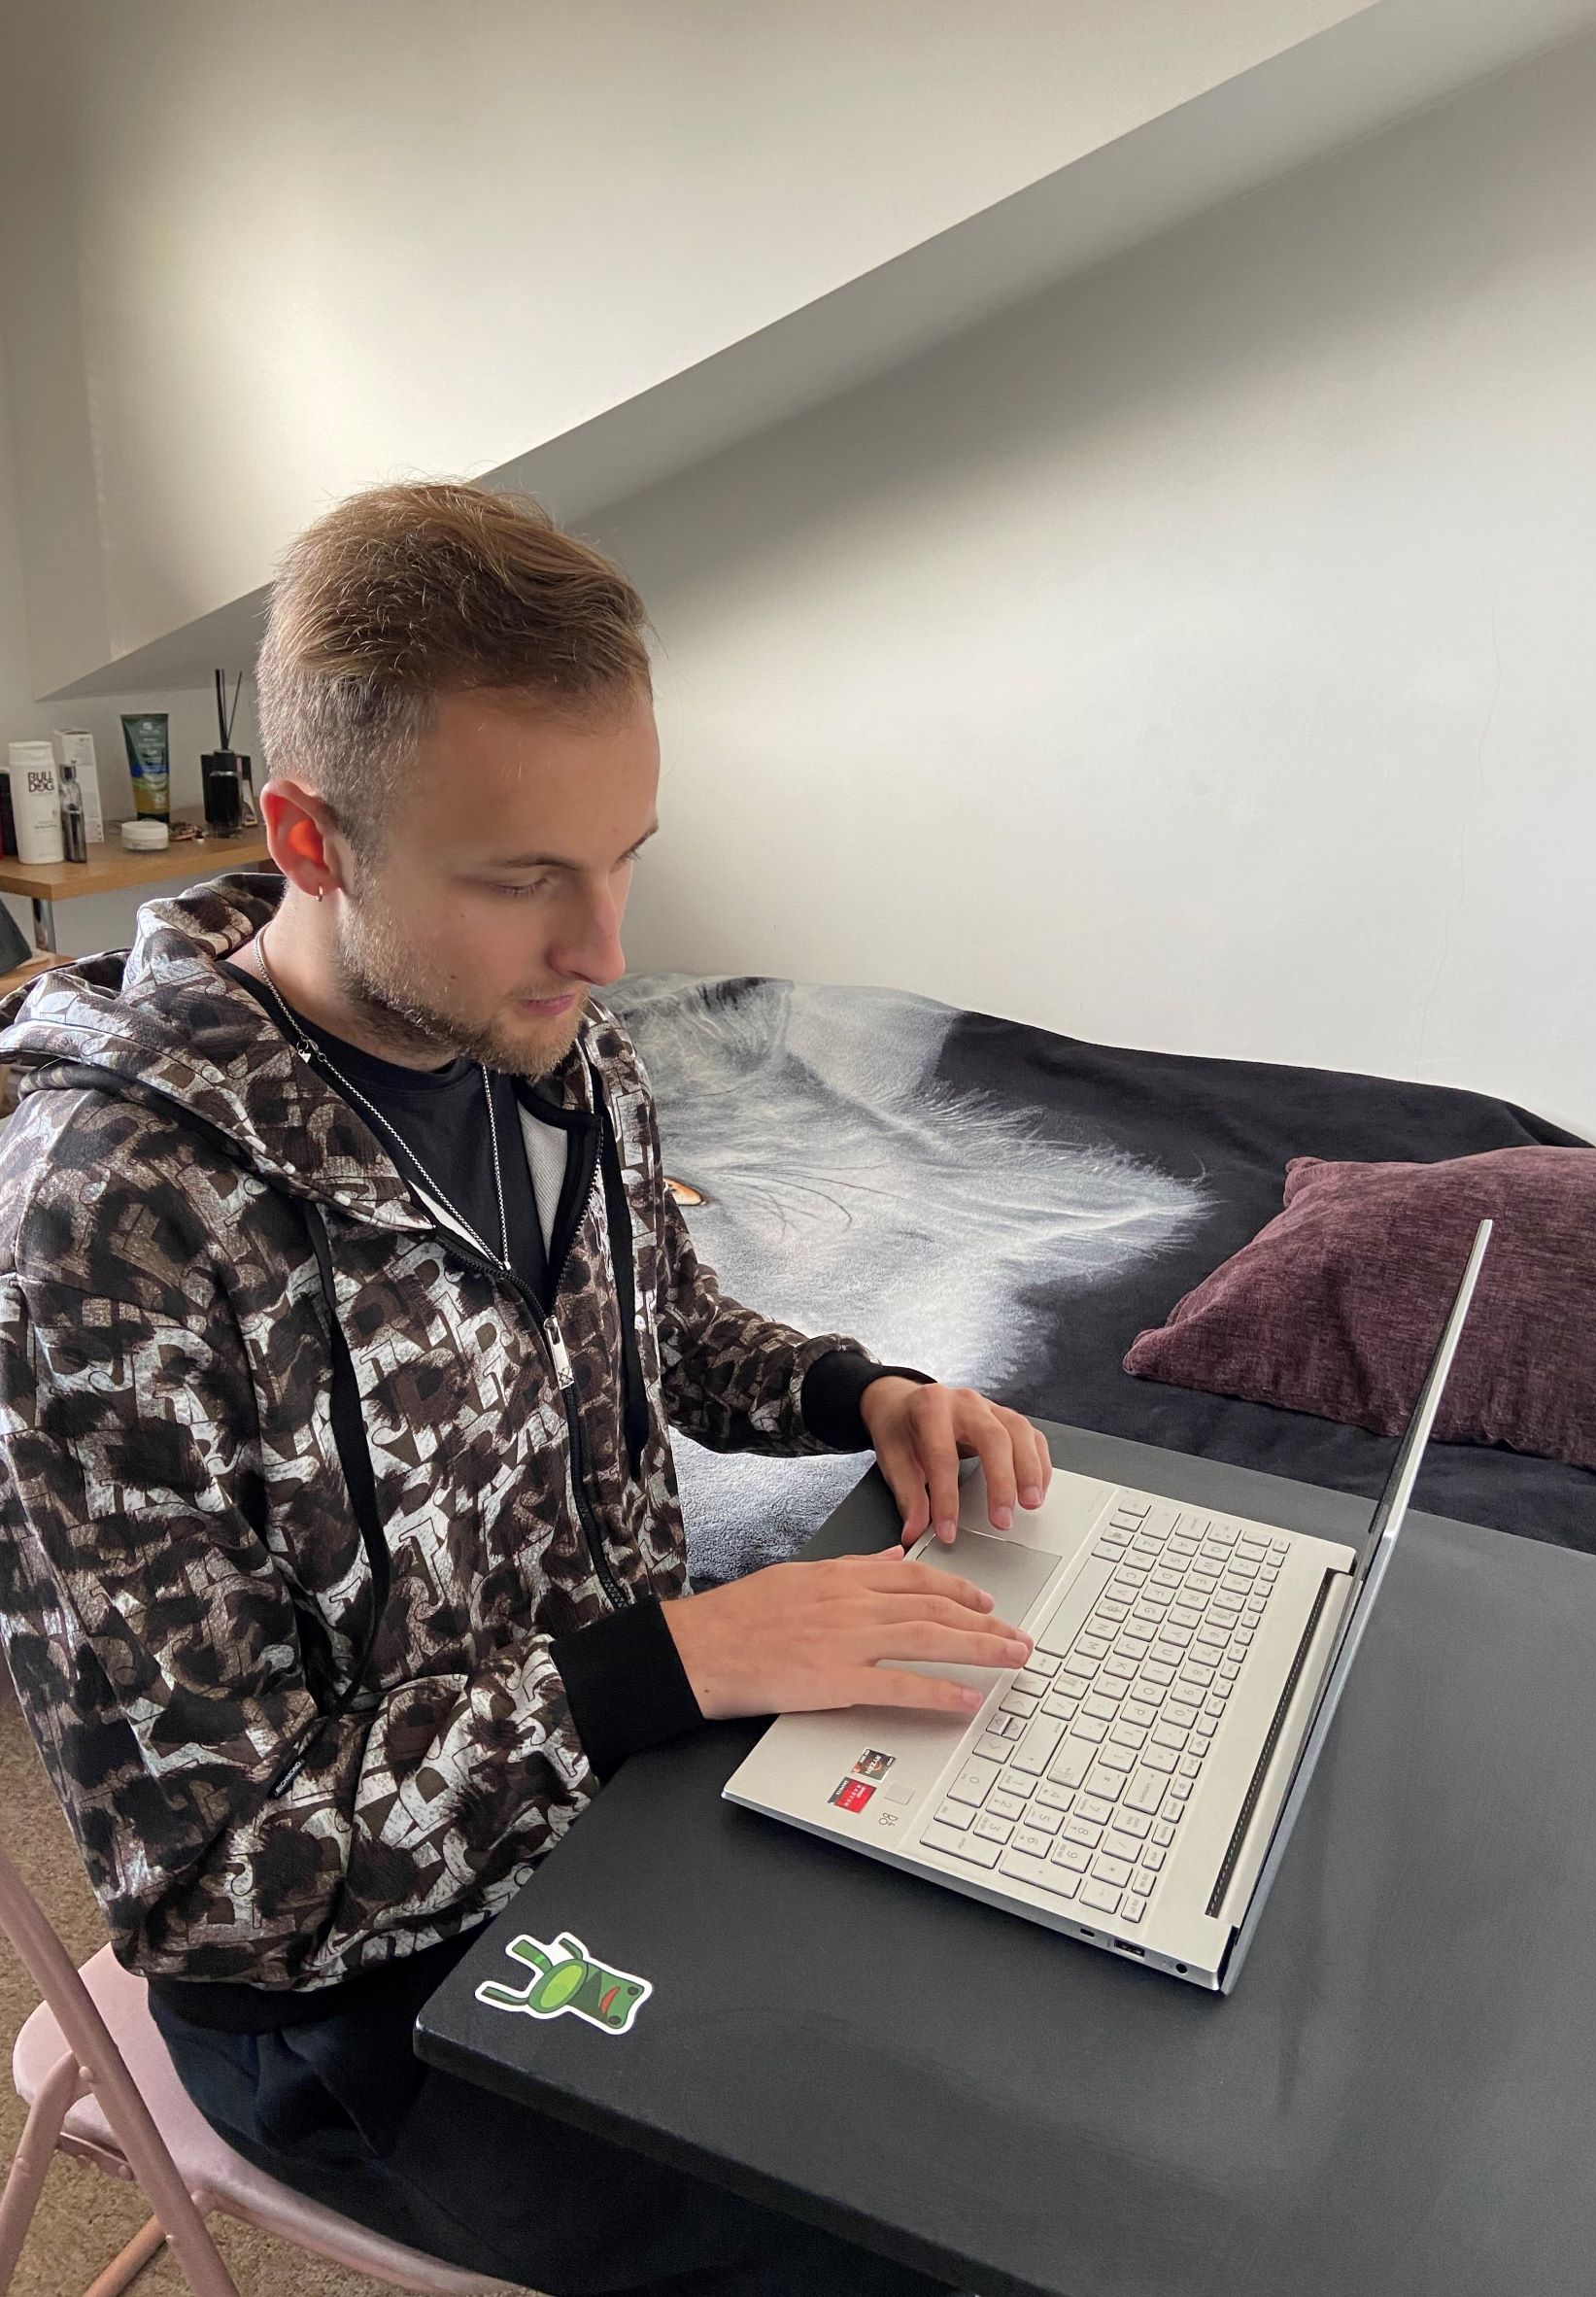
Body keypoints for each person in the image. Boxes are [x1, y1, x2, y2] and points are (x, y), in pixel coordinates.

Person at [0, 481, 1054, 2296]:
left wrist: (851, 1393)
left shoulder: (554, 1053)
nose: (608, 946)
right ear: (311, 840)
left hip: (640, 1799)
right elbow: (214, 1889)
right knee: (945, 2242)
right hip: (360, 2012)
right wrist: (683, 1662)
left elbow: (657, 1328)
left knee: (1055, 2066)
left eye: (623, 854)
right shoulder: (108, 1230)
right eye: (523, 879)